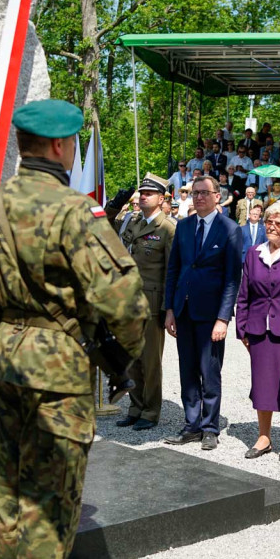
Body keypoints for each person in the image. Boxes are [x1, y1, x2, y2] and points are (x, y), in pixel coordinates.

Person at [0, 99, 148, 559]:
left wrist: (2, 348)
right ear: (62, 147)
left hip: (8, 364)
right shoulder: (74, 212)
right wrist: (125, 357)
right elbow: (126, 302)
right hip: (59, 371)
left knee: (9, 489)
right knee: (52, 497)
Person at [163, 175, 243, 451]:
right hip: (183, 309)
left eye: (204, 193)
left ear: (217, 196)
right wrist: (169, 309)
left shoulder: (230, 229)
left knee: (210, 371)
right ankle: (192, 424)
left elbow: (233, 279)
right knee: (187, 370)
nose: (198, 197)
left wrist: (223, 317)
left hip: (211, 315)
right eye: (195, 192)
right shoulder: (183, 227)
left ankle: (210, 427)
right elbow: (173, 269)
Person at [236, 202, 280, 463]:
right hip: (258, 328)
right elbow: (244, 292)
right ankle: (264, 437)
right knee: (262, 385)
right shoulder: (254, 253)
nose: (272, 227)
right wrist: (241, 327)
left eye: (278, 223)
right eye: (269, 222)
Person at [115, 174, 176, 432]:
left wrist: (168, 307)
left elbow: (172, 271)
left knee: (150, 361)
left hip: (151, 304)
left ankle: (150, 411)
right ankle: (135, 407)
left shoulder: (168, 228)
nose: (142, 196)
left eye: (149, 193)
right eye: (141, 193)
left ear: (161, 199)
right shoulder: (134, 222)